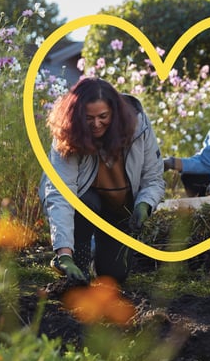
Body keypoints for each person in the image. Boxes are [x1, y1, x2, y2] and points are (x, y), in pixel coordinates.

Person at [39, 77, 165, 285]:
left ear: (114, 113)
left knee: (114, 276)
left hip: (119, 208)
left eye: (103, 116)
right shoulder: (68, 134)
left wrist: (144, 205)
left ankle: (97, 251)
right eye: (89, 118)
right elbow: (62, 194)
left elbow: (153, 179)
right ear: (77, 117)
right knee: (86, 202)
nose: (96, 124)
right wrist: (64, 254)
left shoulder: (138, 126)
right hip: (85, 203)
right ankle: (77, 258)